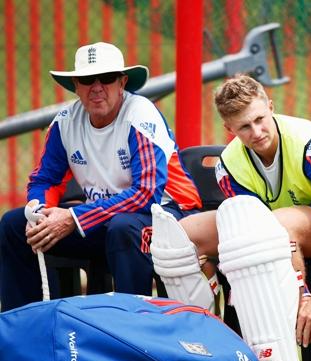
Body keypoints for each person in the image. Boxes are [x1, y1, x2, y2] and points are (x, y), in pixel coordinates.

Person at [150, 74, 311, 361]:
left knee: (276, 226)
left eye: (260, 119)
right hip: (276, 231)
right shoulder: (228, 165)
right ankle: (205, 346)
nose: (256, 132)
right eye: (244, 126)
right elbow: (244, 226)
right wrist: (213, 268)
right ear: (230, 129)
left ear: (270, 106)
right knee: (179, 236)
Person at [0, 42, 203, 311]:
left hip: (170, 216)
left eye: (107, 78)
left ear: (122, 82)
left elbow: (147, 194)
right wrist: (40, 213)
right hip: (107, 220)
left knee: (123, 228)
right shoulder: (65, 122)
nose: (97, 87)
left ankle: (135, 329)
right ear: (76, 85)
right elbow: (44, 180)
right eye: (87, 79)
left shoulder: (139, 114)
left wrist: (73, 218)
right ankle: (31, 328)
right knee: (14, 226)